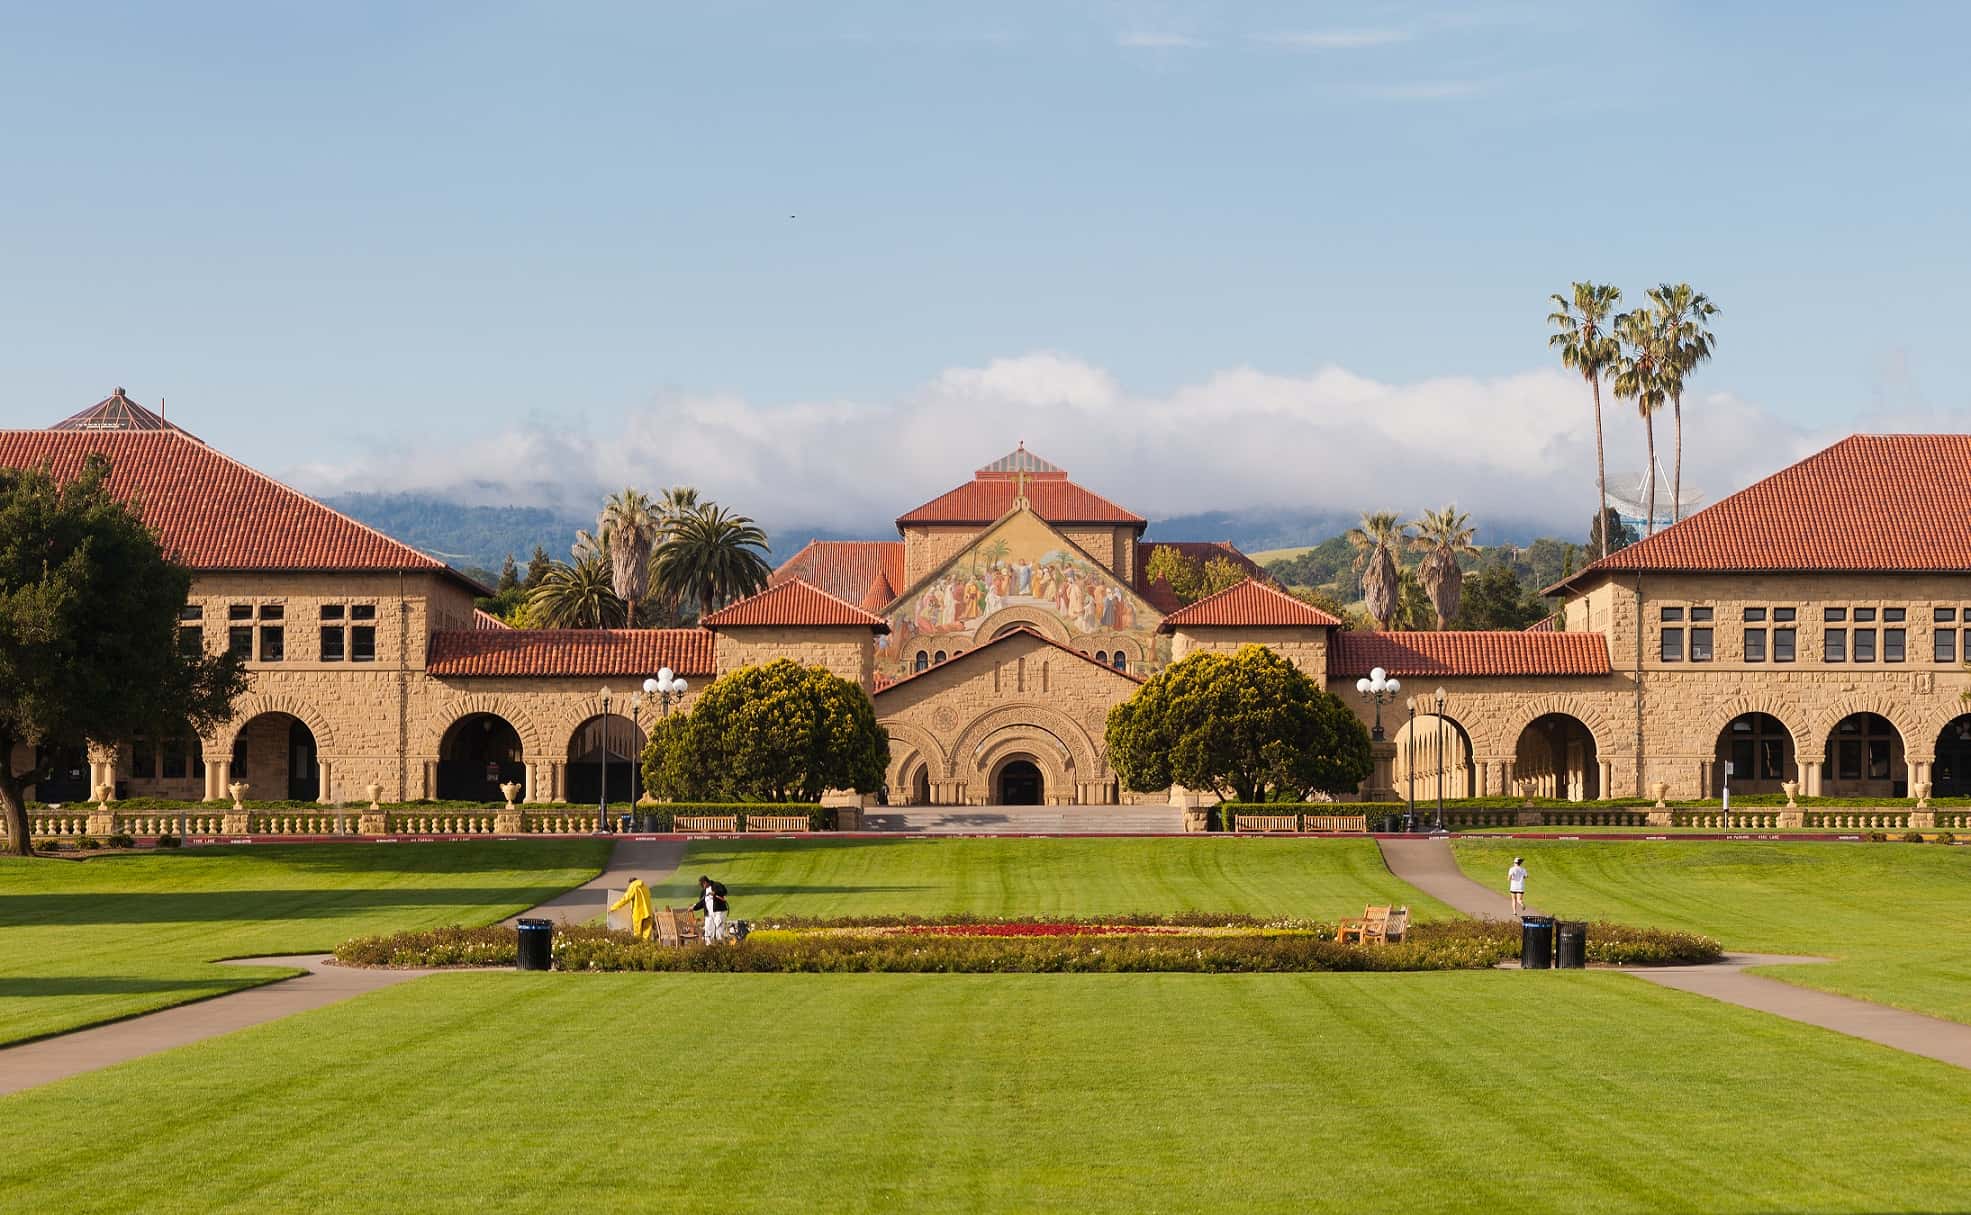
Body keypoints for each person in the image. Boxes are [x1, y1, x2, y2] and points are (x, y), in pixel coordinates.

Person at [685, 874, 729, 942]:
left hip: (719, 912)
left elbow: (724, 891)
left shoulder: (716, 885)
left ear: (705, 882)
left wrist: (715, 892)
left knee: (719, 931)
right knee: (708, 932)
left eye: (702, 885)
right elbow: (701, 903)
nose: (702, 887)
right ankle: (709, 948)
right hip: (709, 914)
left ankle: (720, 947)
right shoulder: (703, 892)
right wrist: (693, 907)